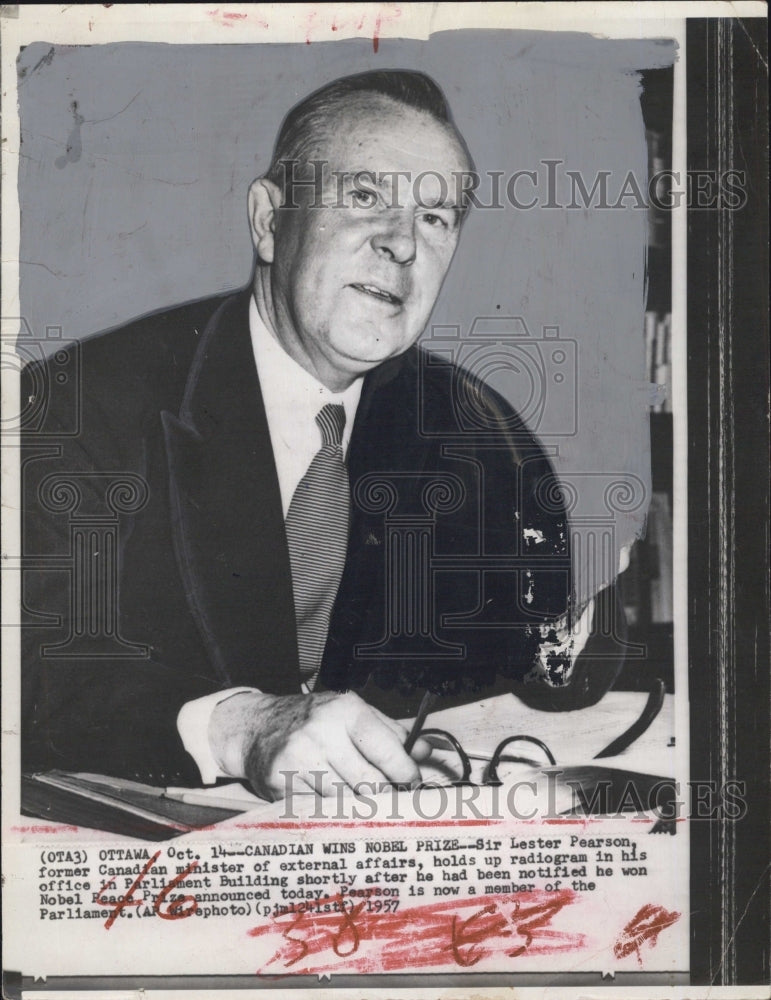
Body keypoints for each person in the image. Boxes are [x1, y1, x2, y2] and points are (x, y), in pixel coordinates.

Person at [21, 70, 621, 801]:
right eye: (365, 197)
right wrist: (243, 729)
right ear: (269, 222)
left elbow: (520, 678)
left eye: (435, 219)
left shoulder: (482, 437)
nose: (402, 244)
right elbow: (30, 669)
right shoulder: (78, 407)